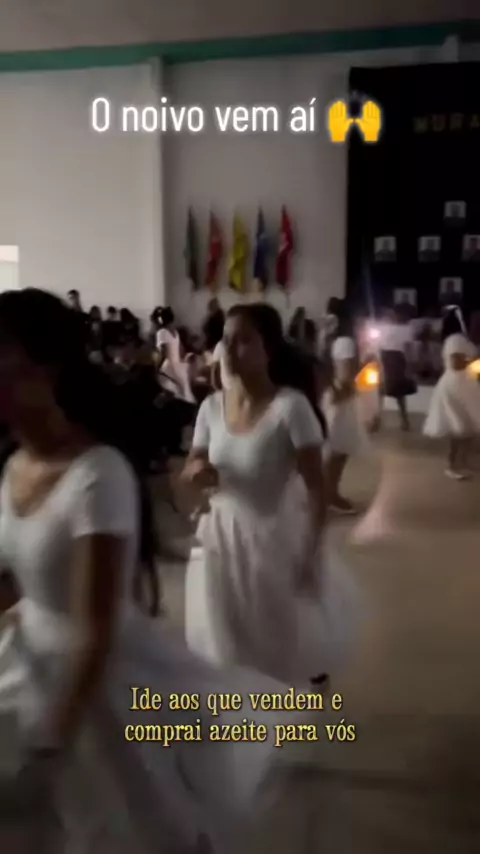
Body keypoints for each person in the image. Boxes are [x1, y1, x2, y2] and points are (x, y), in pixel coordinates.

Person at [0, 288, 296, 853]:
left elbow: (96, 628)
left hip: (99, 687)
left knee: (141, 826)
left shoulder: (98, 474)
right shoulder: (14, 466)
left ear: (46, 369)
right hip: (30, 665)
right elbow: (17, 579)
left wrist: (54, 741)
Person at [182, 303, 360, 687]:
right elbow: (194, 461)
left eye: (244, 340)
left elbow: (317, 490)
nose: (231, 350)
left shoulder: (290, 408)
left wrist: (311, 552)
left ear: (270, 349)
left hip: (271, 539)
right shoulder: (211, 407)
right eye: (227, 340)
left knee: (277, 639)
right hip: (219, 539)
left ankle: (286, 703)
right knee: (228, 635)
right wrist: (197, 470)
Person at [322, 337, 371, 514]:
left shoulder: (344, 349)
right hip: (338, 412)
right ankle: (328, 496)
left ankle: (330, 493)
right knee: (333, 456)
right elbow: (345, 383)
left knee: (339, 455)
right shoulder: (345, 349)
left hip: (343, 411)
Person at [423, 333, 480, 480]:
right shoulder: (455, 340)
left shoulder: (467, 342)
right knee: (458, 431)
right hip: (454, 388)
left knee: (467, 432)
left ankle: (462, 463)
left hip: (465, 386)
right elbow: (455, 365)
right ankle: (452, 466)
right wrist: (473, 362)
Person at [379, 305, 416, 431]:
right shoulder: (385, 328)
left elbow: (408, 348)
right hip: (387, 358)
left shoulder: (405, 329)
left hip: (396, 359)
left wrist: (409, 365)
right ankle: (377, 419)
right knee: (381, 390)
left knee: (398, 391)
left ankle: (404, 420)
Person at [155, 306, 195, 404]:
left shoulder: (161, 333)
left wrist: (156, 368)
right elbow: (181, 350)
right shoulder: (176, 333)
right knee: (184, 395)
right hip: (178, 365)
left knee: (169, 393)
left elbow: (164, 354)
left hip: (168, 367)